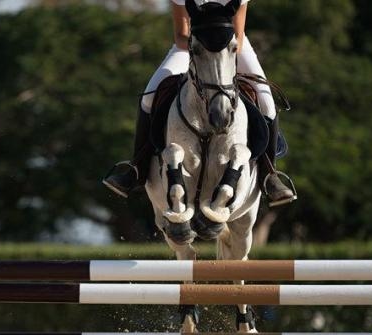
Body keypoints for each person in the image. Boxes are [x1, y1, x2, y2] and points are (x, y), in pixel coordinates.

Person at [103, 0, 296, 207]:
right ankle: (136, 168)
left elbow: (238, 36)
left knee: (266, 101)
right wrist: (201, 50)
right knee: (148, 98)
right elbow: (180, 36)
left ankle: (270, 175)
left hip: (232, 48)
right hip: (191, 47)